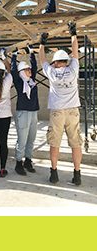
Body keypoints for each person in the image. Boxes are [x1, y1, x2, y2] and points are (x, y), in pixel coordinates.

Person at [39, 26, 82, 185]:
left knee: (54, 143)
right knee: (75, 143)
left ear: (55, 62)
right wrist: (73, 34)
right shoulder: (73, 69)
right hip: (72, 112)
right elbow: (76, 51)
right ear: (66, 61)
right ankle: (77, 175)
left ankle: (54, 173)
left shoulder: (51, 72)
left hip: (57, 112)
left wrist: (42, 43)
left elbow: (42, 59)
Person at [10, 47, 39, 175]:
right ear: (22, 72)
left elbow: (35, 67)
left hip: (33, 113)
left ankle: (28, 160)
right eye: (27, 69)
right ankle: (18, 163)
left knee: (31, 139)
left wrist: (31, 53)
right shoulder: (19, 81)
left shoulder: (32, 81)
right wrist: (14, 56)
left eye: (29, 69)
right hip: (23, 113)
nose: (30, 71)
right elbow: (13, 70)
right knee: (22, 139)